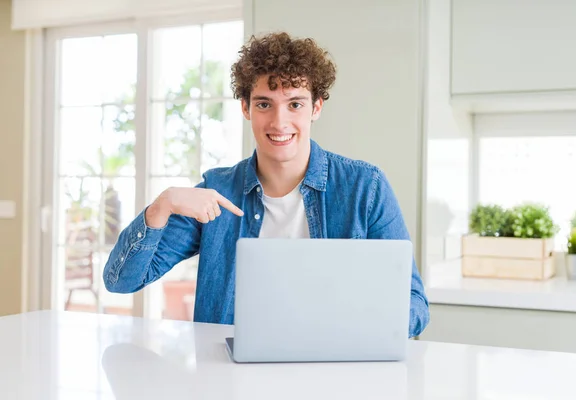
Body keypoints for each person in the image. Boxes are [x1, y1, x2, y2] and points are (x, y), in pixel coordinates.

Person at [103, 32, 430, 338]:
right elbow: (120, 280)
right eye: (264, 104)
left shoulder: (364, 187)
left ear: (316, 107)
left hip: (334, 371)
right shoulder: (218, 190)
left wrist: (358, 323)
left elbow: (413, 303)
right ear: (245, 107)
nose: (279, 122)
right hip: (232, 376)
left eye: (295, 104)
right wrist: (163, 204)